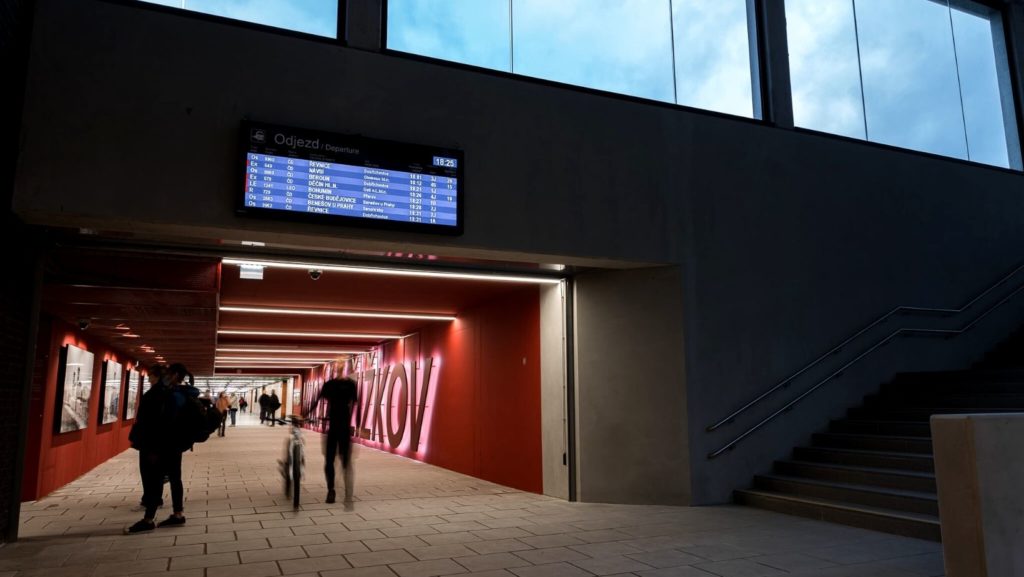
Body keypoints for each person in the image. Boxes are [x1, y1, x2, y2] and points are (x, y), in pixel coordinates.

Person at [126, 362, 199, 533]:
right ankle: (178, 514)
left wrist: (151, 447)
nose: (151, 378)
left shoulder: (165, 394)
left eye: (153, 375)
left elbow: (157, 422)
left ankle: (148, 519)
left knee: (155, 480)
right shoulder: (184, 393)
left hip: (161, 444)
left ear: (173, 375)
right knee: (175, 478)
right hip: (176, 444)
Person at [315, 377, 359, 507]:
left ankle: (340, 492)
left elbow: (357, 405)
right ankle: (335, 492)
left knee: (338, 461)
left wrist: (359, 424)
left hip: (339, 430)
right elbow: (317, 401)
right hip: (338, 429)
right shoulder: (336, 385)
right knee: (335, 461)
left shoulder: (345, 385)